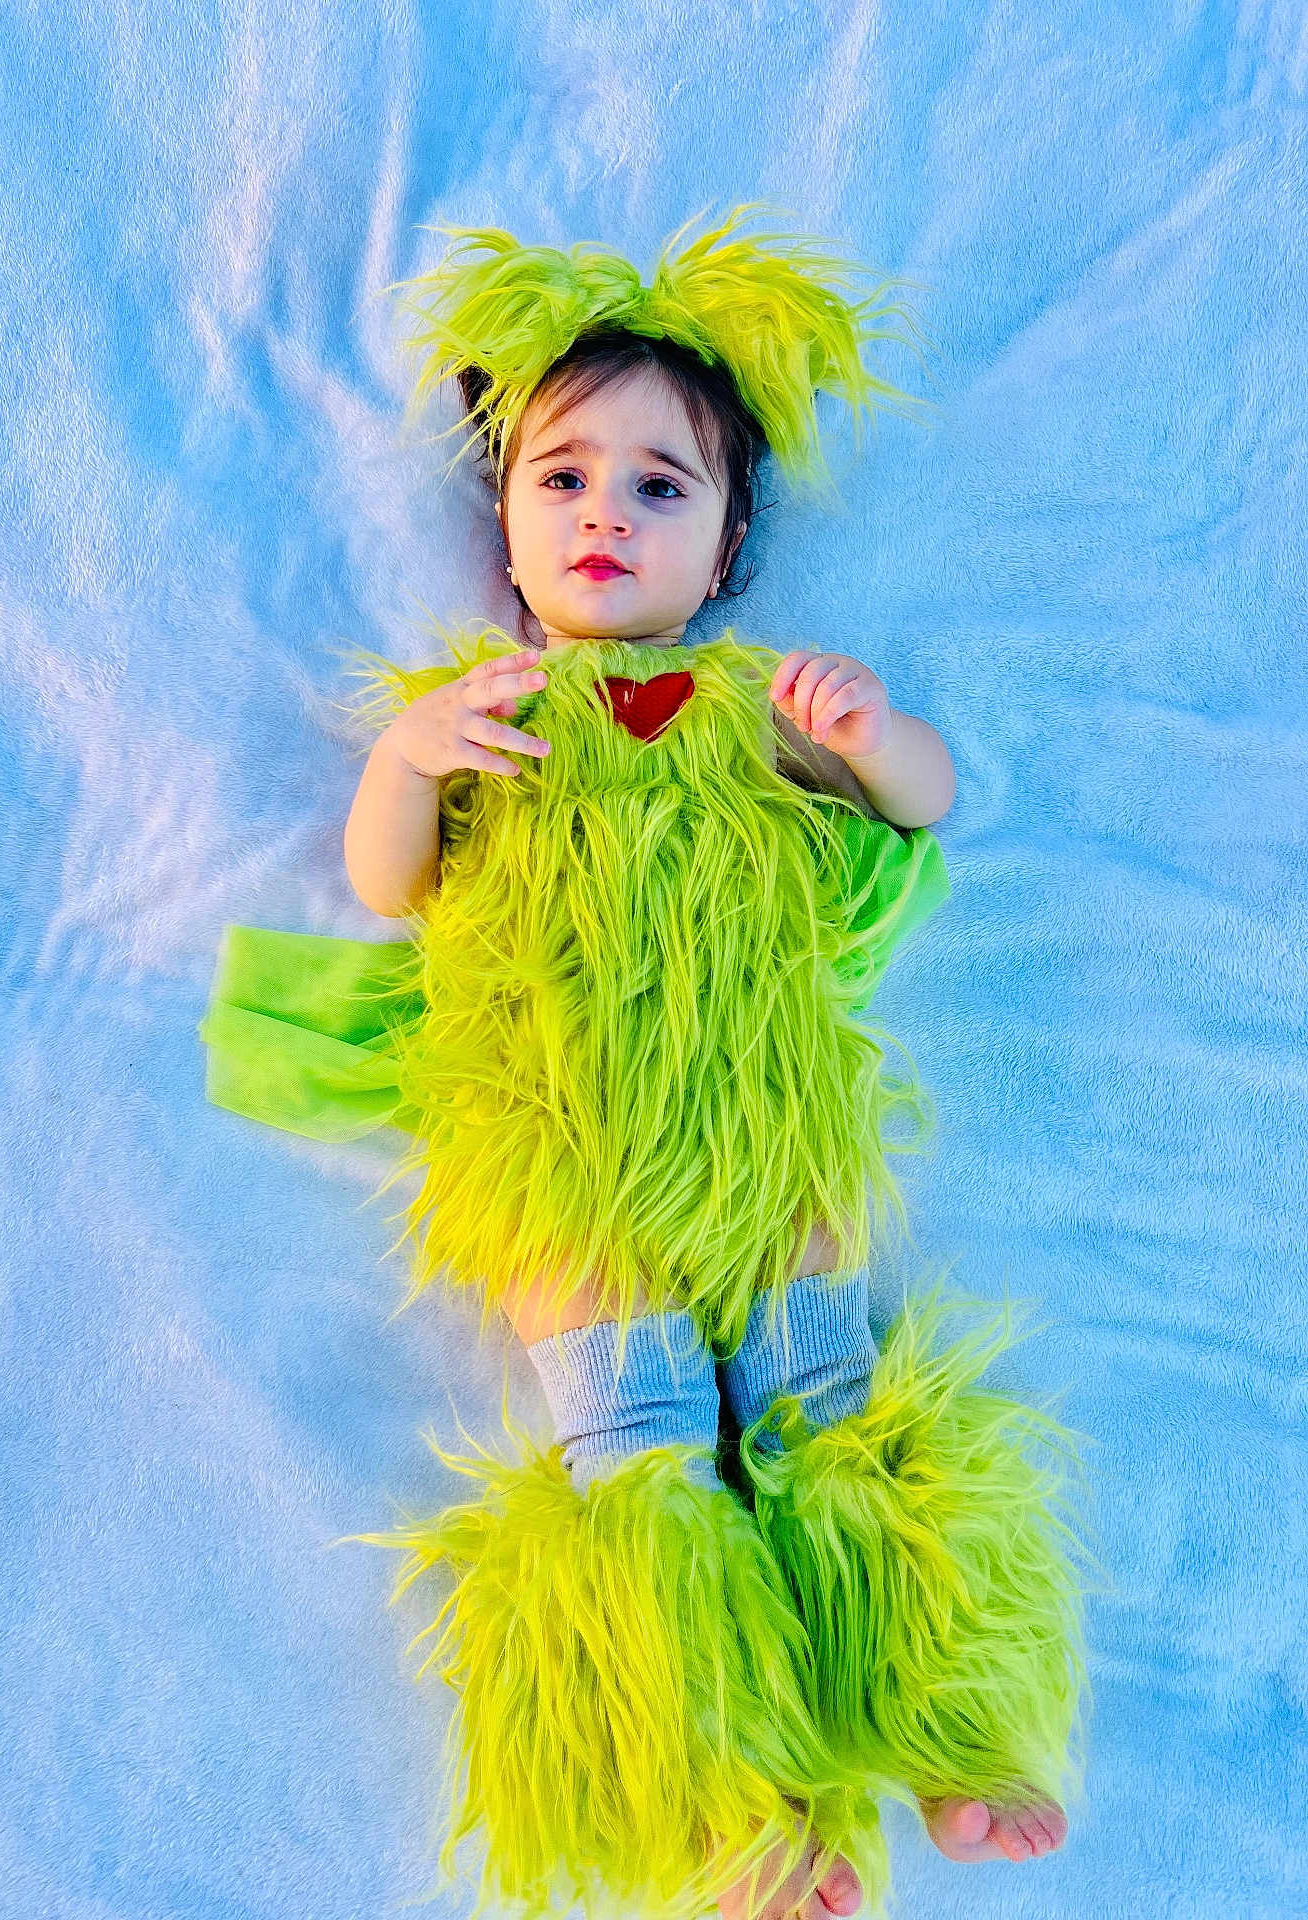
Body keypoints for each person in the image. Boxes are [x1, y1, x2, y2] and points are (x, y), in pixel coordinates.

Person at [198, 203, 1091, 1920]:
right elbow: (394, 888)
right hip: (554, 1144)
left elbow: (926, 808)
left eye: (661, 486)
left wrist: (867, 733)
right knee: (643, 1438)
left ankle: (947, 1717)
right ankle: (741, 1804)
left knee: (832, 1400)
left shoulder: (760, 705)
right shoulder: (488, 708)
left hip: (763, 1135)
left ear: (727, 542)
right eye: (563, 479)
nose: (607, 509)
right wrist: (403, 760)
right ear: (509, 536)